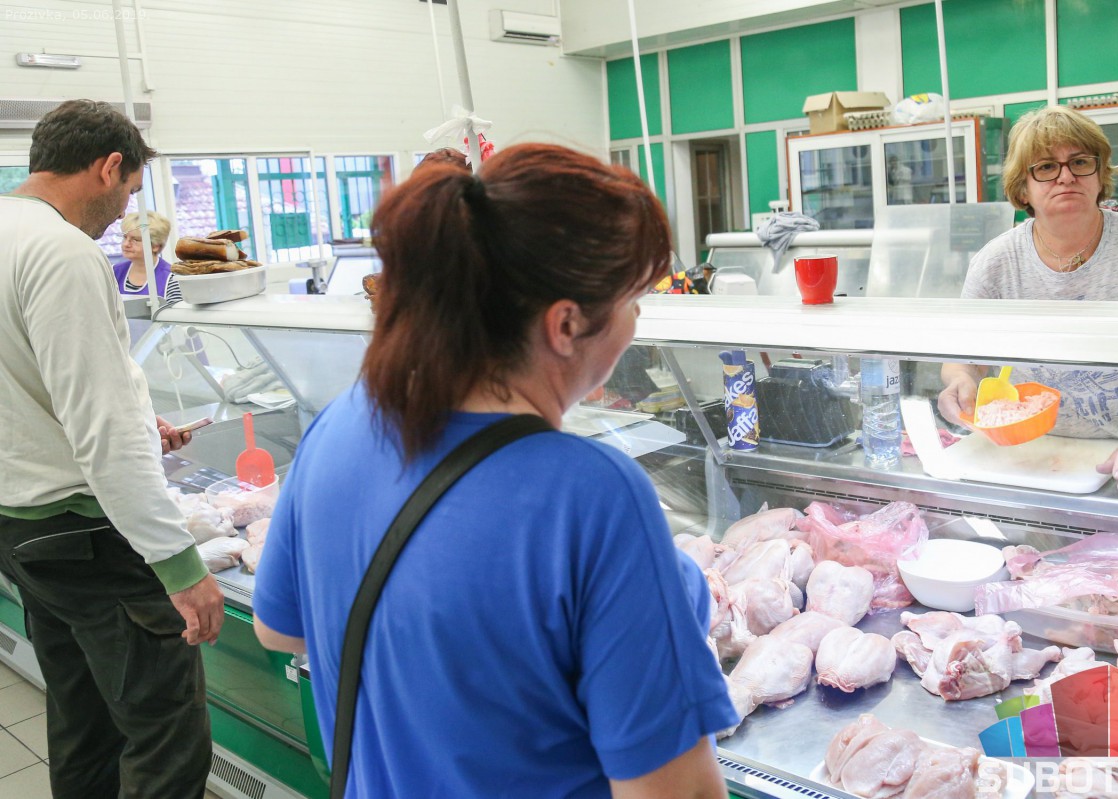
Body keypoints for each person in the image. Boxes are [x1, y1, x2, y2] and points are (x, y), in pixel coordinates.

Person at [252, 143, 736, 798]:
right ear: (565, 324)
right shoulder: (590, 496)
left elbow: (278, 627)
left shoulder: (341, 424)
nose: (636, 322)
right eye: (632, 301)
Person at [0, 99, 224, 798]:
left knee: (84, 721)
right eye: (129, 191)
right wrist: (180, 565)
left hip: (22, 529)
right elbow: (98, 425)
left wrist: (133, 414)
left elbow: (28, 380)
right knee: (165, 739)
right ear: (109, 166)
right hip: (89, 536)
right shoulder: (63, 250)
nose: (124, 210)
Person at [939, 105, 1118, 498]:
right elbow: (961, 359)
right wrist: (961, 382)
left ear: (1100, 175)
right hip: (1038, 458)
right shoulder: (995, 262)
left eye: (1080, 162)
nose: (1066, 176)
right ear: (1022, 188)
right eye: (1046, 167)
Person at [113, 209, 183, 303]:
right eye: (125, 237)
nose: (126, 244)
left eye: (135, 240)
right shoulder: (113, 272)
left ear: (155, 246)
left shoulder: (172, 279)